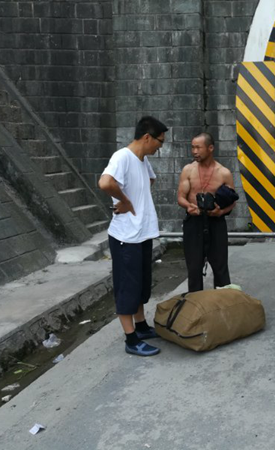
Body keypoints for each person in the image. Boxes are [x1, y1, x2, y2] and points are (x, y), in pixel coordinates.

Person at [98, 116, 168, 357]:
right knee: (127, 287)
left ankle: (141, 326)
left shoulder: (142, 160)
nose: (160, 147)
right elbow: (105, 182)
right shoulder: (122, 157)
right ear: (147, 137)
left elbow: (150, 179)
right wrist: (125, 201)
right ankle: (131, 339)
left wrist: (136, 198)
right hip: (125, 237)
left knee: (140, 284)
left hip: (142, 233)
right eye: (159, 141)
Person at [177, 132, 237, 293]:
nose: (194, 151)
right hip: (194, 222)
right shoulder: (188, 170)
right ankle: (196, 305)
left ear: (210, 148)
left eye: (198, 148)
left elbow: (232, 201)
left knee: (220, 268)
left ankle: (223, 304)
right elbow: (181, 197)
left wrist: (220, 211)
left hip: (216, 223)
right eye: (192, 147)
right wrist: (189, 206)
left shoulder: (223, 173)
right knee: (194, 269)